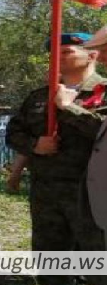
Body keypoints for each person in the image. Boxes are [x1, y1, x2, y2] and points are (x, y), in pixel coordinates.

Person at [7, 33, 107, 285]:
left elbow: (102, 131)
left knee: (96, 260)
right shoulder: (40, 95)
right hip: (46, 190)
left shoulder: (102, 92)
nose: (58, 58)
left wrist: (68, 108)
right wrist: (35, 145)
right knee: (49, 257)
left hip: (89, 192)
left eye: (67, 51)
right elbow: (14, 132)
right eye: (54, 53)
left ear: (92, 55)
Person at [57, 26, 107, 248]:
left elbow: (98, 129)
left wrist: (69, 108)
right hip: (73, 188)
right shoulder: (44, 92)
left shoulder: (101, 89)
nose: (102, 57)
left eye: (105, 50)